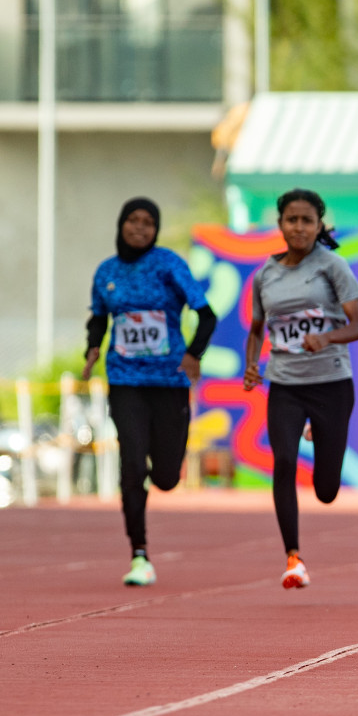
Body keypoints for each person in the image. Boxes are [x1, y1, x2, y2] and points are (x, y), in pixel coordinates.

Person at [82, 198, 219, 586]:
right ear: (121, 224)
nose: (139, 228)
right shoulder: (106, 271)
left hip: (168, 380)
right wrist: (92, 348)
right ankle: (139, 553)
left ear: (155, 229)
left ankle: (167, 467)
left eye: (147, 223)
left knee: (165, 478)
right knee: (130, 465)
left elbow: (206, 315)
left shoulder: (168, 264)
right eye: (132, 220)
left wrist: (193, 354)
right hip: (125, 380)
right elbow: (98, 317)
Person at [243, 189, 358, 588]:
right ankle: (293, 557)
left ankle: (318, 428)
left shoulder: (332, 266)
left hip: (330, 383)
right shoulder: (265, 274)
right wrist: (250, 365)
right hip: (286, 384)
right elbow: (258, 328)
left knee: (327, 490)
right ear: (280, 224)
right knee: (282, 462)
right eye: (291, 219)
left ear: (318, 225)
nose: (298, 227)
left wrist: (327, 339)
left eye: (306, 220)